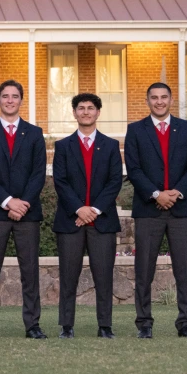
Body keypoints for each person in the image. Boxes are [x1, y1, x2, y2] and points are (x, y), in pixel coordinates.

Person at [126, 82, 187, 339]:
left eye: (164, 97)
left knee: (184, 270)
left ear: (171, 100)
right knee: (144, 270)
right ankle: (144, 324)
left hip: (181, 209)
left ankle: (185, 324)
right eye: (154, 98)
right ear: (147, 101)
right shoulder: (135, 131)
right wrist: (157, 194)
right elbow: (134, 170)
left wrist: (175, 193)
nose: (159, 101)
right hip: (148, 210)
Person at [0, 79, 48, 339]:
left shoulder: (35, 133)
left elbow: (39, 173)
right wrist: (8, 202)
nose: (9, 100)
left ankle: (32, 324)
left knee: (30, 271)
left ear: (20, 100)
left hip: (27, 213)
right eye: (5, 96)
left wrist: (22, 203)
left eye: (14, 96)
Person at [51, 93, 122, 339]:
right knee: (68, 275)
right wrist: (79, 209)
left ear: (98, 113)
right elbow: (60, 181)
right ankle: (66, 326)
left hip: (102, 221)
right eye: (80, 108)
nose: (86, 112)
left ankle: (105, 326)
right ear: (74, 113)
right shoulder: (62, 146)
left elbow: (114, 182)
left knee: (103, 275)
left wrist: (93, 211)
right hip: (70, 220)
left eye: (91, 108)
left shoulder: (112, 146)